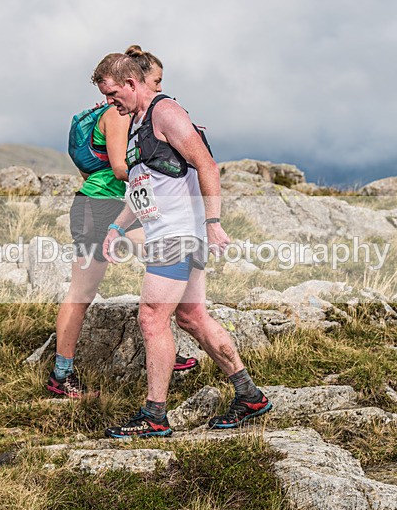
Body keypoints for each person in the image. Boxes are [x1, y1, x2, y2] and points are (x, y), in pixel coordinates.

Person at [92, 53, 272, 437]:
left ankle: (155, 416)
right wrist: (117, 228)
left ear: (131, 83)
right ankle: (249, 395)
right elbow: (144, 189)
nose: (111, 104)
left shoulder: (166, 112)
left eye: (112, 95)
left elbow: (206, 164)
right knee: (191, 317)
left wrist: (213, 222)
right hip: (166, 231)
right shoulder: (138, 122)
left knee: (152, 317)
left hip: (179, 234)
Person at [47, 47, 196, 399]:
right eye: (156, 81)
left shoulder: (107, 114)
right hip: (101, 207)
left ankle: (161, 347)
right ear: (137, 79)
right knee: (82, 291)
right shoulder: (116, 115)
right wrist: (163, 175)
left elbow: (87, 163)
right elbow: (118, 167)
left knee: (166, 262)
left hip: (110, 204)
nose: (159, 89)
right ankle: (61, 375)